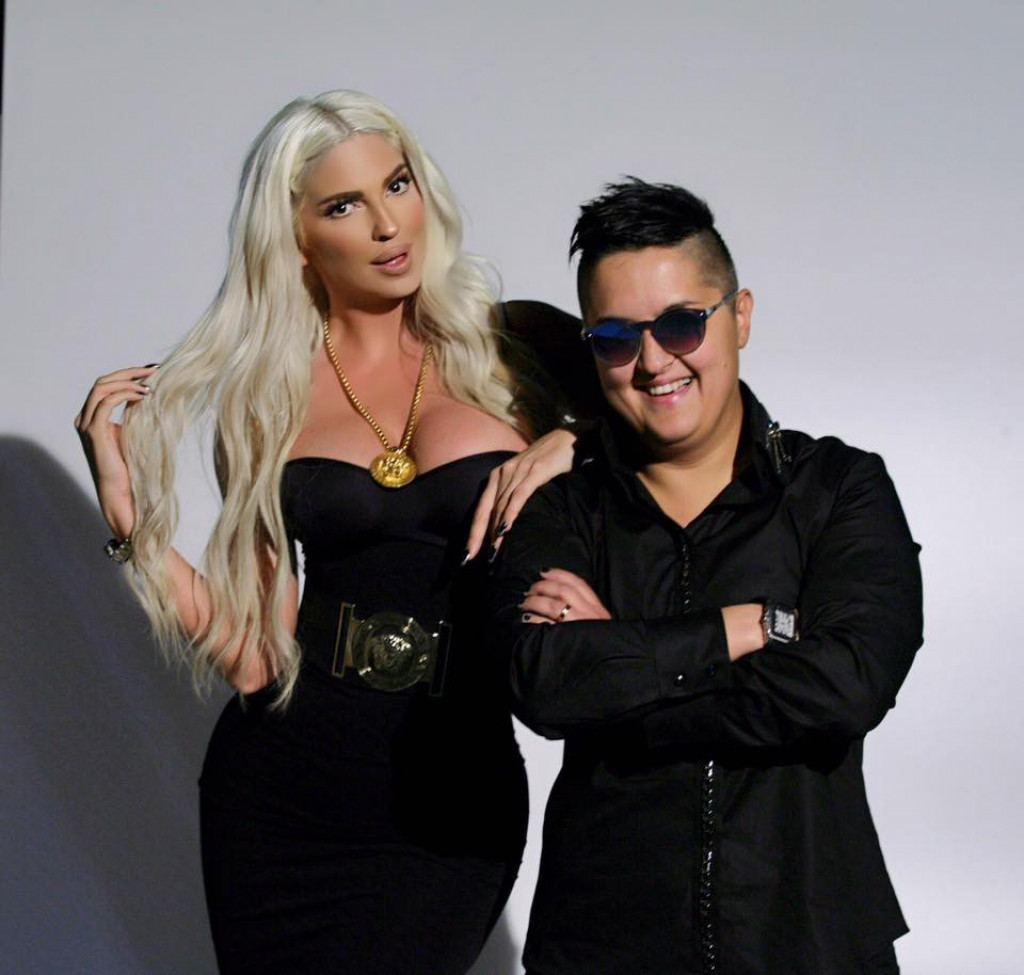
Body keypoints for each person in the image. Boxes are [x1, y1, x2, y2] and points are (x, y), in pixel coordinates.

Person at [73, 90, 579, 975]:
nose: (387, 224)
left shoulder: (517, 353)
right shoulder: (266, 398)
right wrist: (130, 521)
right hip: (284, 795)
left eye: (398, 184)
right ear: (297, 236)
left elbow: (692, 439)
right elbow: (255, 657)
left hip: (452, 787)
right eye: (345, 205)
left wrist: (580, 442)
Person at [490, 179, 923, 975]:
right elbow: (544, 683)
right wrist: (744, 627)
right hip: (603, 949)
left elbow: (847, 686)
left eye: (682, 323)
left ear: (740, 315)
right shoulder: (560, 506)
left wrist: (623, 673)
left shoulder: (839, 488)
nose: (654, 361)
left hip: (810, 942)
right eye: (616, 337)